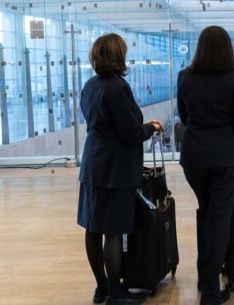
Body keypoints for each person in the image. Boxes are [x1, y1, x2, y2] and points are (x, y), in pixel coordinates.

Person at [77, 33, 164, 305]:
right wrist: (151, 127)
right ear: (119, 56)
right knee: (113, 231)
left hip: (93, 164)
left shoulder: (90, 85)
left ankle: (101, 287)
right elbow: (129, 133)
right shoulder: (118, 88)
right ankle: (117, 292)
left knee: (93, 228)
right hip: (115, 168)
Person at [177, 26, 234, 305]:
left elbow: (184, 117)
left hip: (194, 158)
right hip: (224, 157)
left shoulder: (185, 77)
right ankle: (210, 291)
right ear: (226, 50)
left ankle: (204, 275)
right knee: (219, 219)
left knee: (206, 212)